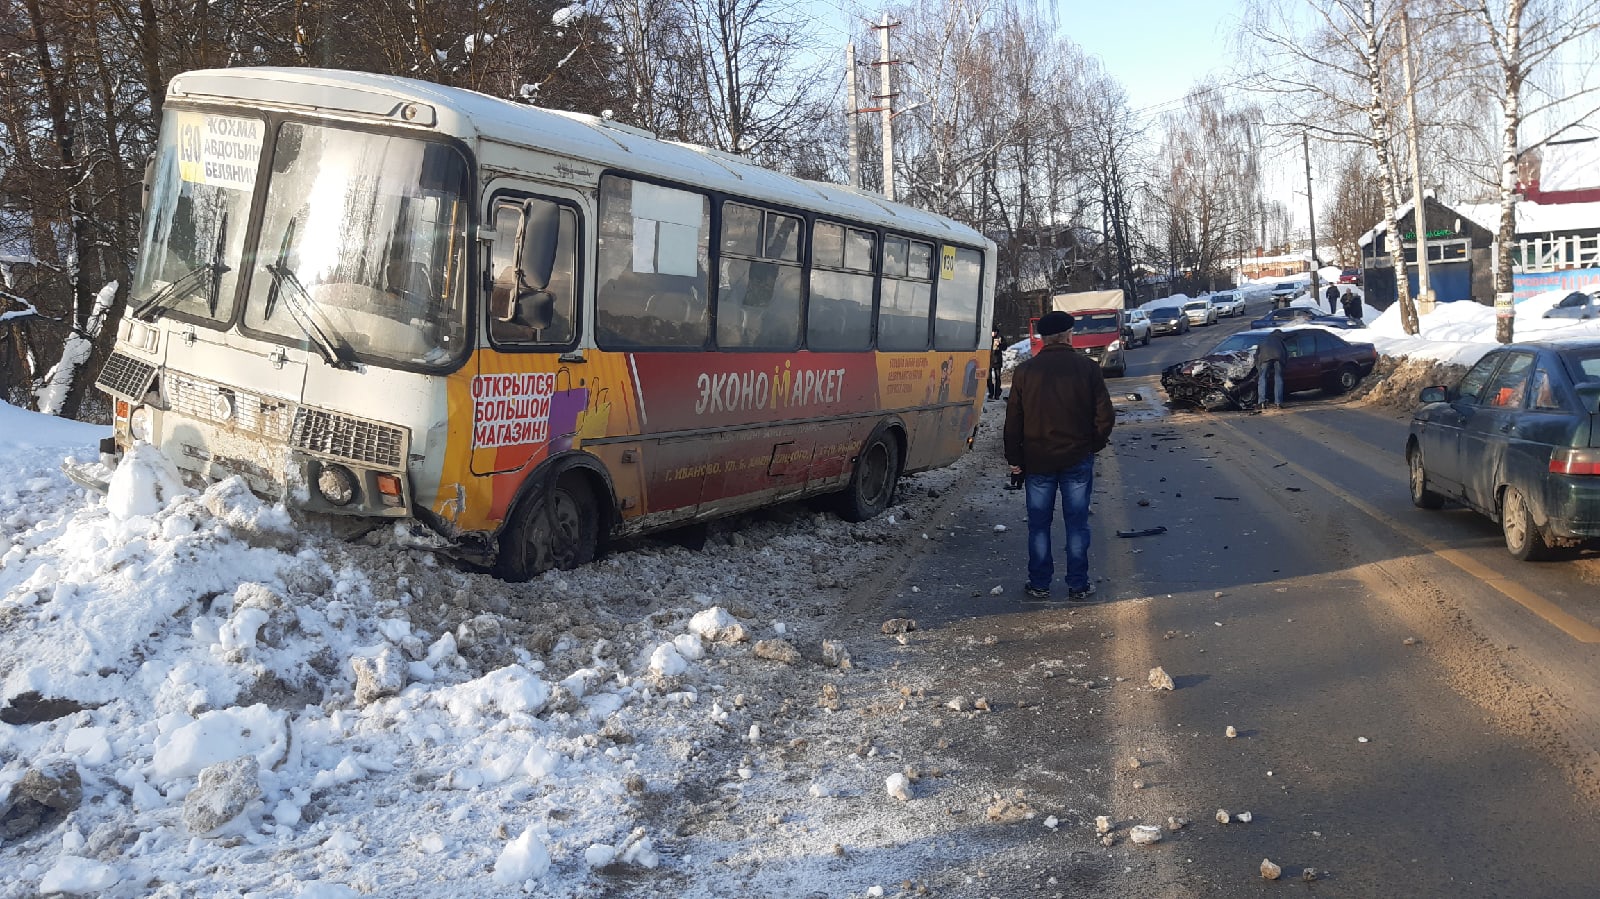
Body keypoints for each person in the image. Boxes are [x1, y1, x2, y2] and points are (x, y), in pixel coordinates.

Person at [1003, 311, 1115, 602]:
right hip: (1077, 458)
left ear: (1042, 338)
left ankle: (1039, 584)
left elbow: (1014, 420)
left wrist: (1015, 459)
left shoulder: (1025, 372)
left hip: (1038, 460)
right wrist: (1094, 444)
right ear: (1068, 335)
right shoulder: (1087, 369)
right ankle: (1078, 585)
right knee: (1077, 523)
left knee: (1039, 525)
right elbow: (1105, 416)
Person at [1255, 327, 1288, 410]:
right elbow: (1286, 353)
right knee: (1278, 378)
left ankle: (1261, 402)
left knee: (1262, 378)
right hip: (1278, 357)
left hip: (1265, 357)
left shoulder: (1264, 339)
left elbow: (1256, 355)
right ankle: (1278, 403)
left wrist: (1259, 368)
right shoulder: (1281, 340)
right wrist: (1284, 365)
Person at [988, 328, 1005, 400]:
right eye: (992, 331)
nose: (993, 333)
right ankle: (991, 393)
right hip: (988, 361)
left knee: (997, 378)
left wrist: (1000, 345)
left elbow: (1005, 347)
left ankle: (997, 394)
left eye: (994, 332)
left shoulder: (1000, 337)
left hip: (997, 360)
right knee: (988, 378)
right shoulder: (987, 338)